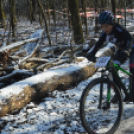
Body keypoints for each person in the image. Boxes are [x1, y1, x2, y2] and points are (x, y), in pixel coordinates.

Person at [86, 10, 134, 103]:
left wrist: (127, 50)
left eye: (106, 26)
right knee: (112, 68)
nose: (104, 28)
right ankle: (117, 93)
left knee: (132, 67)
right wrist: (92, 53)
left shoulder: (118, 29)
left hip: (131, 48)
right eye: (102, 26)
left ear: (111, 23)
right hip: (122, 50)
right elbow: (98, 44)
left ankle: (133, 92)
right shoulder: (104, 33)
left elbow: (130, 38)